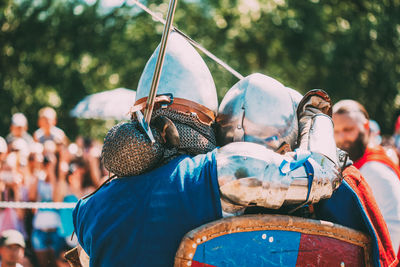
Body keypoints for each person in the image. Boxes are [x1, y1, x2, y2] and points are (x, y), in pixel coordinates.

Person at [72, 32, 347, 266]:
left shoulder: (88, 208)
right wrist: (316, 117)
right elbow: (323, 174)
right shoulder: (221, 173)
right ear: (206, 121)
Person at [332, 99, 400, 259]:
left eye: (349, 129)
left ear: (366, 127)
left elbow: (395, 228)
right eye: (336, 131)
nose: (342, 137)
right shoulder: (358, 165)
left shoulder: (375, 169)